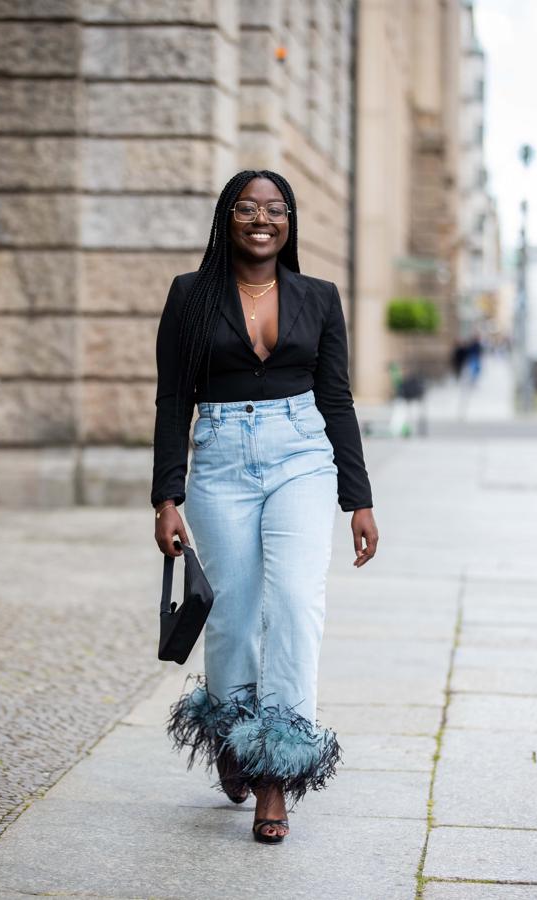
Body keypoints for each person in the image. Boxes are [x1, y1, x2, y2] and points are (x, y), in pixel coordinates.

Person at [151, 169, 378, 845]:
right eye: (247, 208)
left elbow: (335, 398)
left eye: (275, 209)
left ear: (289, 221)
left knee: (297, 604)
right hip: (220, 456)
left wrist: (357, 499)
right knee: (231, 612)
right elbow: (172, 400)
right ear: (227, 218)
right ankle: (231, 732)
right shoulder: (190, 296)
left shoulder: (317, 296)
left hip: (301, 452)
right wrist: (167, 496)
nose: (261, 218)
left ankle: (274, 774)